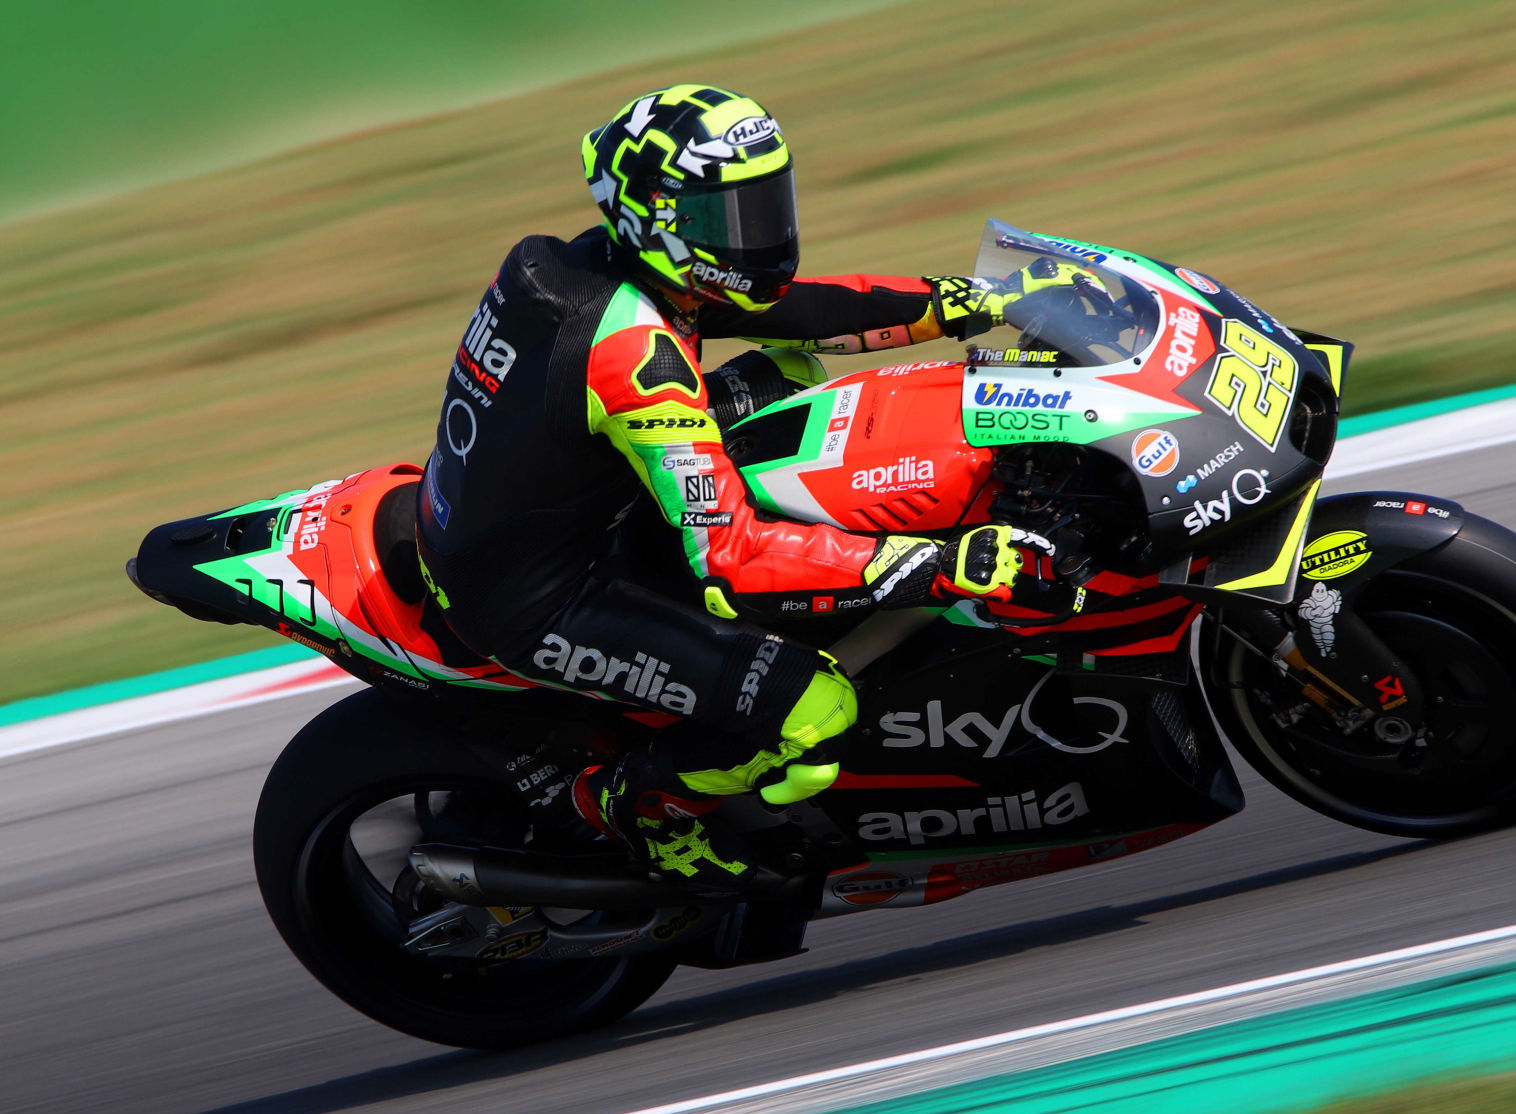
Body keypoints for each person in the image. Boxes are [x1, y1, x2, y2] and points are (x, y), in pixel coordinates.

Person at [414, 84, 1083, 888]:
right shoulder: (634, 353)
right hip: (542, 599)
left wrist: (976, 301)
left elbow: (808, 314)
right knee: (815, 709)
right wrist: (943, 564)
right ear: (657, 217)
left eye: (764, 205)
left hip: (550, 508)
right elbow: (733, 560)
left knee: (790, 371)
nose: (757, 236)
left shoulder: (599, 264)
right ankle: (634, 806)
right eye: (726, 217)